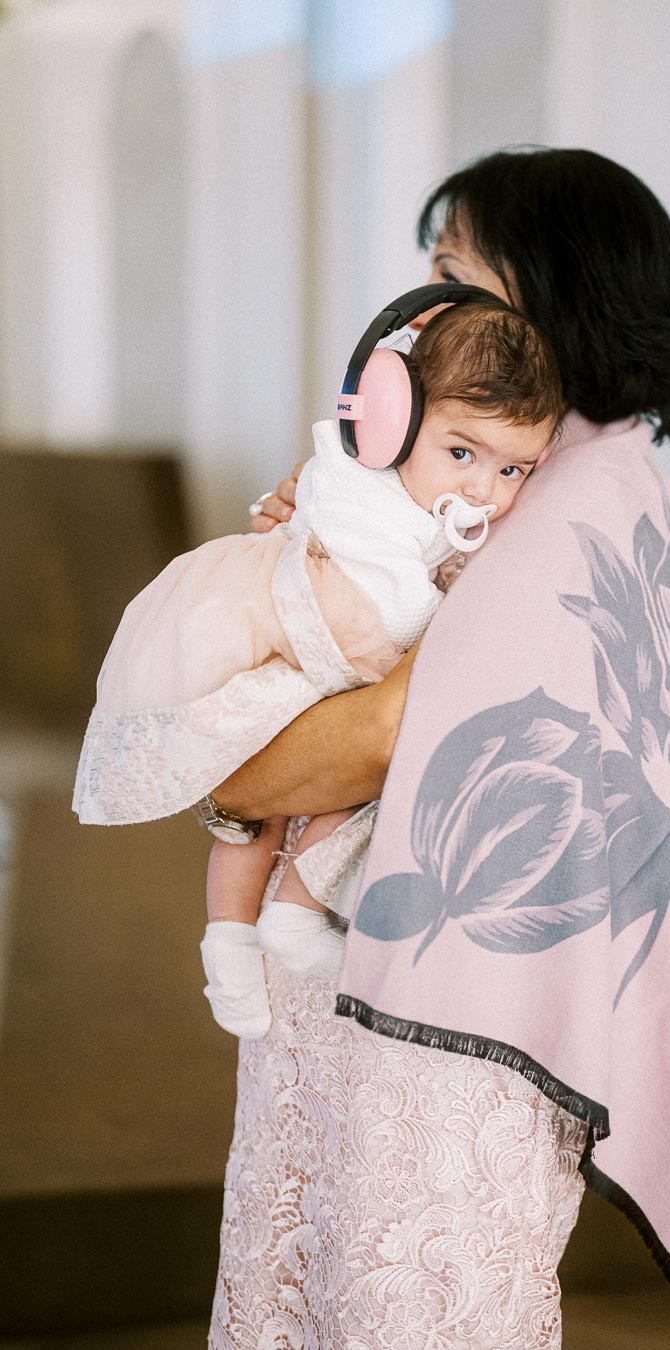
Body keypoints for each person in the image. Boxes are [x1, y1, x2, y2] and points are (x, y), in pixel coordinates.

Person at [206, 147, 670, 1348]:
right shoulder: (586, 478)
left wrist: (222, 757)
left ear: (553, 294)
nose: (430, 310)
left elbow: (348, 747)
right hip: (415, 1018)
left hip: (439, 1059)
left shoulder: (564, 517)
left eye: (456, 273)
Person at [73, 295, 563, 1039]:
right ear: (392, 420)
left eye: (514, 469)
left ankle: (289, 912)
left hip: (330, 671)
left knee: (325, 797)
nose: (482, 490)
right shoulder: (360, 479)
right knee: (256, 813)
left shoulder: (443, 510)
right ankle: (230, 936)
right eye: (462, 454)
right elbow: (374, 599)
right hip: (297, 644)